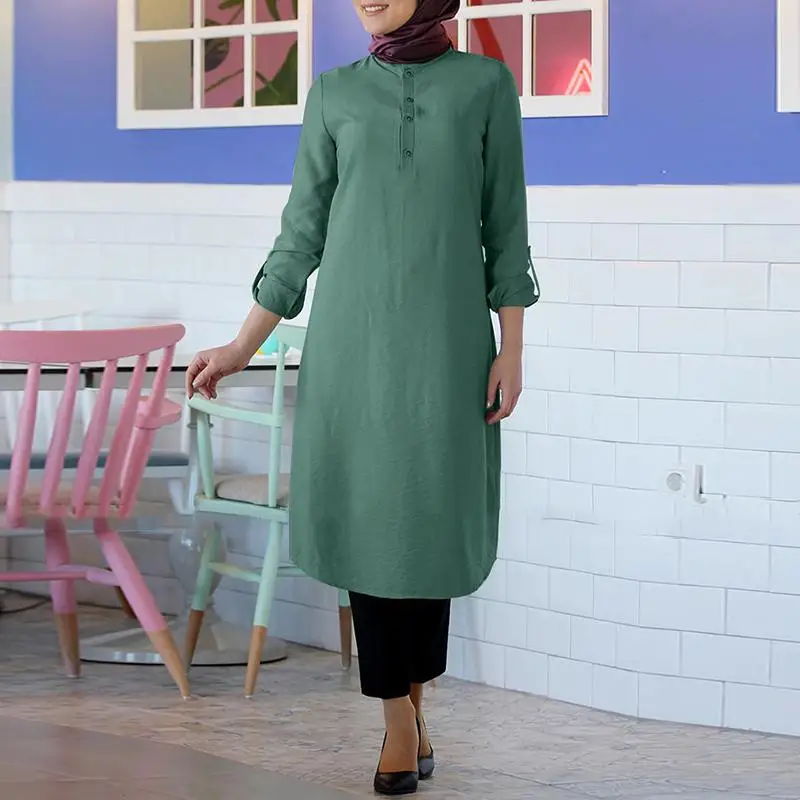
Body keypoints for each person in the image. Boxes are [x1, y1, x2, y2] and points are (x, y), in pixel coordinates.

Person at [186, 0, 538, 794]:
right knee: (370, 521)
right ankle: (396, 716)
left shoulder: (484, 86)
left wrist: (512, 346)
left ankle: (415, 700)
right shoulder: (333, 94)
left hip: (450, 348)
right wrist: (242, 345)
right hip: (353, 349)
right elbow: (300, 234)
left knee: (430, 524)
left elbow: (507, 225)